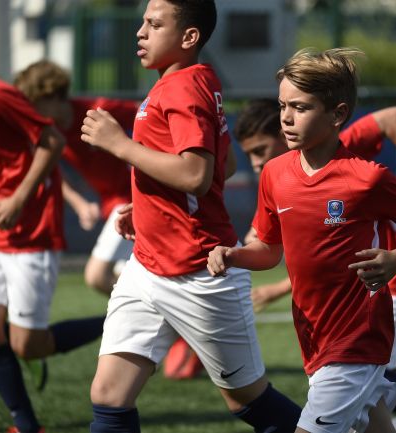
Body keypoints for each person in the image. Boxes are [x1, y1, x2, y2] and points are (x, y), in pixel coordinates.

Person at [80, 1, 301, 432]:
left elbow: (198, 175)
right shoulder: (190, 80)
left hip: (200, 270)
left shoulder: (183, 86)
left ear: (189, 38)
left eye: (154, 24)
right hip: (147, 265)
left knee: (248, 402)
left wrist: (117, 144)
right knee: (108, 395)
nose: (140, 32)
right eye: (143, 22)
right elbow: (226, 166)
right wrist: (148, 206)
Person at [208, 46, 396, 433]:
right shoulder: (275, 174)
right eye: (282, 107)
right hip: (314, 336)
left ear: (338, 114)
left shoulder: (366, 178)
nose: (287, 119)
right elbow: (269, 250)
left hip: (357, 338)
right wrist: (234, 255)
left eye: (301, 108)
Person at [232, 98, 396, 433]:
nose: (256, 163)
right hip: (340, 305)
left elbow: (391, 115)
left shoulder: (330, 147)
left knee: (374, 371)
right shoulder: (284, 172)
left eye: (260, 150)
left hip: (381, 280)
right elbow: (308, 254)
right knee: (375, 391)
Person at [0, 14, 104, 433]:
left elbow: (53, 142)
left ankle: (120, 318)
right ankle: (27, 426)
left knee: (30, 345)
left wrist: (20, 198)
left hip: (33, 236)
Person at [14, 60, 137, 295]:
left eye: (34, 103)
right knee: (130, 274)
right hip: (114, 205)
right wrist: (80, 204)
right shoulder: (50, 130)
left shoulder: (98, 111)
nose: (30, 111)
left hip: (135, 200)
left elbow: (153, 116)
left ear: (52, 96)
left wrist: (138, 152)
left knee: (97, 275)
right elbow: (49, 168)